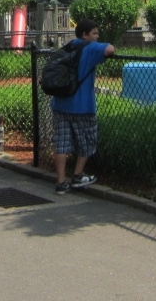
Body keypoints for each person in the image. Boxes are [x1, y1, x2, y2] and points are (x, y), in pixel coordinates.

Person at [51, 18, 115, 195]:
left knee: (61, 143)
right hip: (82, 106)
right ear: (85, 35)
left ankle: (61, 182)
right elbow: (110, 49)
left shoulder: (68, 47)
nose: (97, 36)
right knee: (87, 140)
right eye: (94, 33)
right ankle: (78, 174)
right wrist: (102, 43)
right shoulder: (90, 47)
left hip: (60, 103)